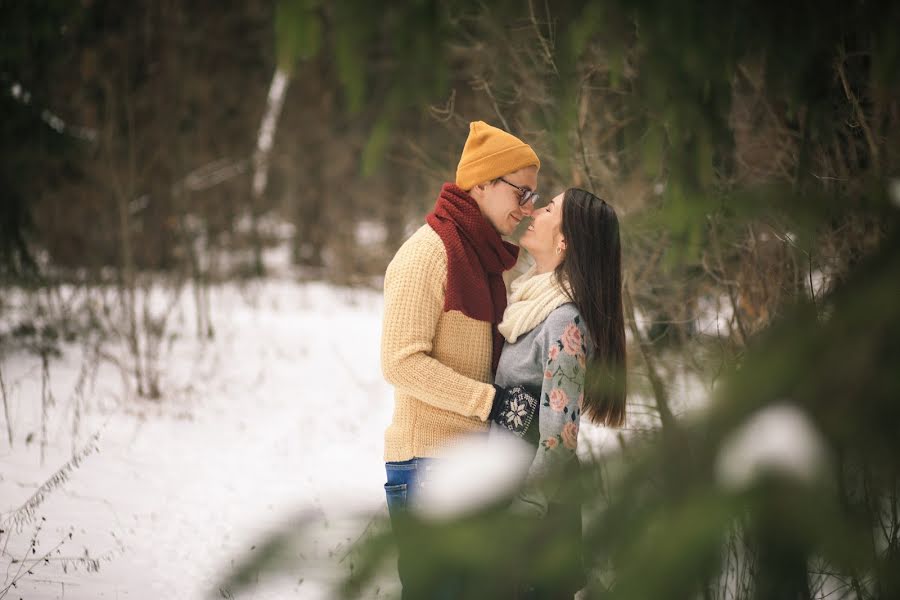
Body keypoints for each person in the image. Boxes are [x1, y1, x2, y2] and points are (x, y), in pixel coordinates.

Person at [380, 120, 541, 596]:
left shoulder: (483, 262)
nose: (527, 209)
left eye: (534, 196)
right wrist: (489, 402)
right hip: (427, 465)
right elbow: (399, 362)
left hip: (468, 466)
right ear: (484, 183)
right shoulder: (427, 255)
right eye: (521, 193)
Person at [489, 187, 627, 598]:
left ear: (564, 241)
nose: (535, 210)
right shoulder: (533, 305)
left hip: (534, 522)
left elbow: (558, 438)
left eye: (549, 208)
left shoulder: (565, 322)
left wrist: (521, 517)